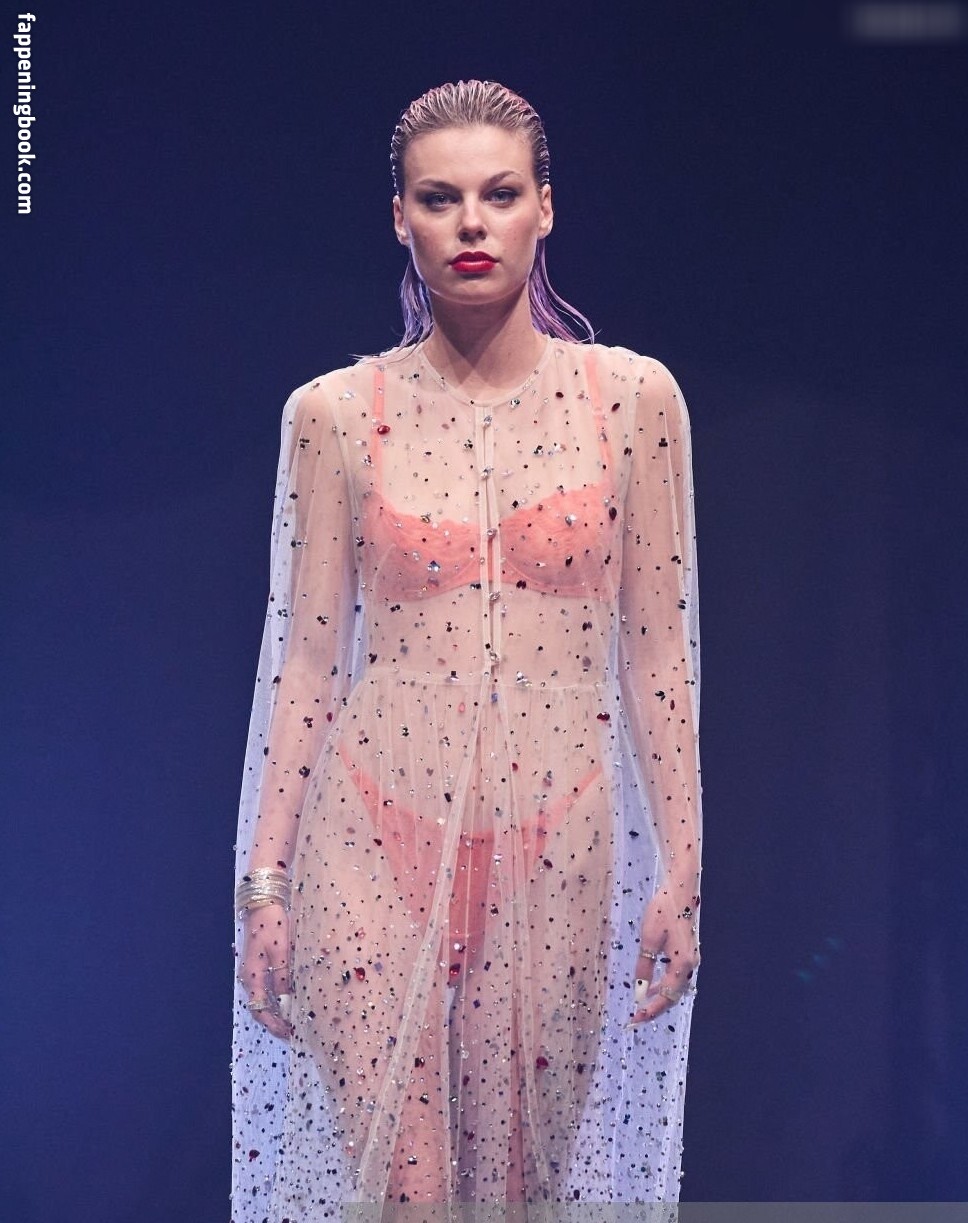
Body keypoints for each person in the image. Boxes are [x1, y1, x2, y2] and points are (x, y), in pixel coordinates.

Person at [232, 80, 702, 1222]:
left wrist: (683, 872)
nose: (471, 223)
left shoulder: (633, 401)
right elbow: (305, 664)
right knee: (407, 1197)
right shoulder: (333, 414)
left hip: (556, 835)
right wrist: (264, 886)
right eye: (439, 199)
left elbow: (656, 655)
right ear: (400, 217)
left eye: (499, 194)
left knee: (515, 1197)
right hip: (366, 831)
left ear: (546, 206)